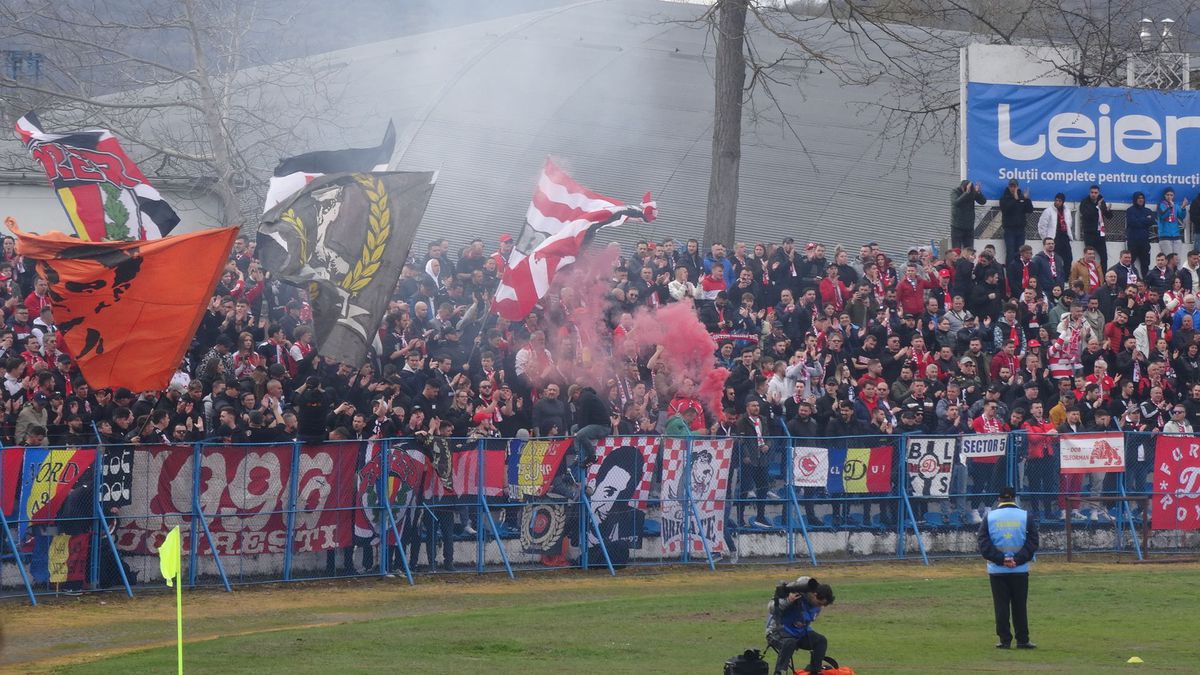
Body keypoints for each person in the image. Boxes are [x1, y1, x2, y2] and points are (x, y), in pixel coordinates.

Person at [977, 486, 1039, 650]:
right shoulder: (1026, 516)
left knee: (1001, 606)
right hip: (1020, 569)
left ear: (999, 499)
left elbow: (983, 544)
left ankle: (1004, 640)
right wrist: (1016, 560)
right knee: (1020, 606)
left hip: (997, 570)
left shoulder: (989, 517)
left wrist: (1001, 559)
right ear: (1015, 498)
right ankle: (1023, 640)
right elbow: (1032, 542)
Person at [765, 576, 836, 675]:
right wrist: (788, 601)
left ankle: (815, 671)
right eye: (819, 603)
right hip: (777, 632)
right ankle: (779, 672)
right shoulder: (793, 593)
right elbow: (771, 609)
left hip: (799, 633)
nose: (819, 607)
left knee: (821, 641)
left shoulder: (816, 605)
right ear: (814, 595)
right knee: (790, 642)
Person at [952, 179, 986, 249]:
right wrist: (966, 193)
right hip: (957, 226)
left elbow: (983, 201)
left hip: (969, 226)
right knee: (956, 250)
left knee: (969, 250)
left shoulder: (972, 192)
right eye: (965, 189)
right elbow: (956, 203)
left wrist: (978, 192)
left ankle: (968, 260)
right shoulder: (955, 191)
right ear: (961, 187)